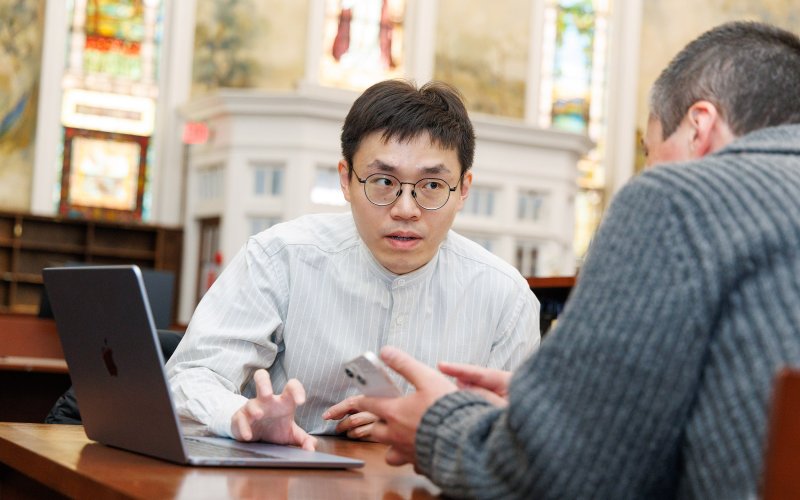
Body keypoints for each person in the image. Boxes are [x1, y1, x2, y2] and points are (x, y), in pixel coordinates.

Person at [347, 21, 800, 498]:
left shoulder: (681, 199)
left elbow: (552, 475)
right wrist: (556, 403)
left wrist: (437, 422)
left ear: (699, 127)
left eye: (650, 150)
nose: (650, 170)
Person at [166, 79, 540, 449]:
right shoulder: (280, 257)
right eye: (382, 181)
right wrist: (240, 416)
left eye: (431, 186)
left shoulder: (506, 298)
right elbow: (189, 377)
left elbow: (519, 436)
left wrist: (434, 425)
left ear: (463, 190)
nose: (405, 209)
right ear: (346, 180)